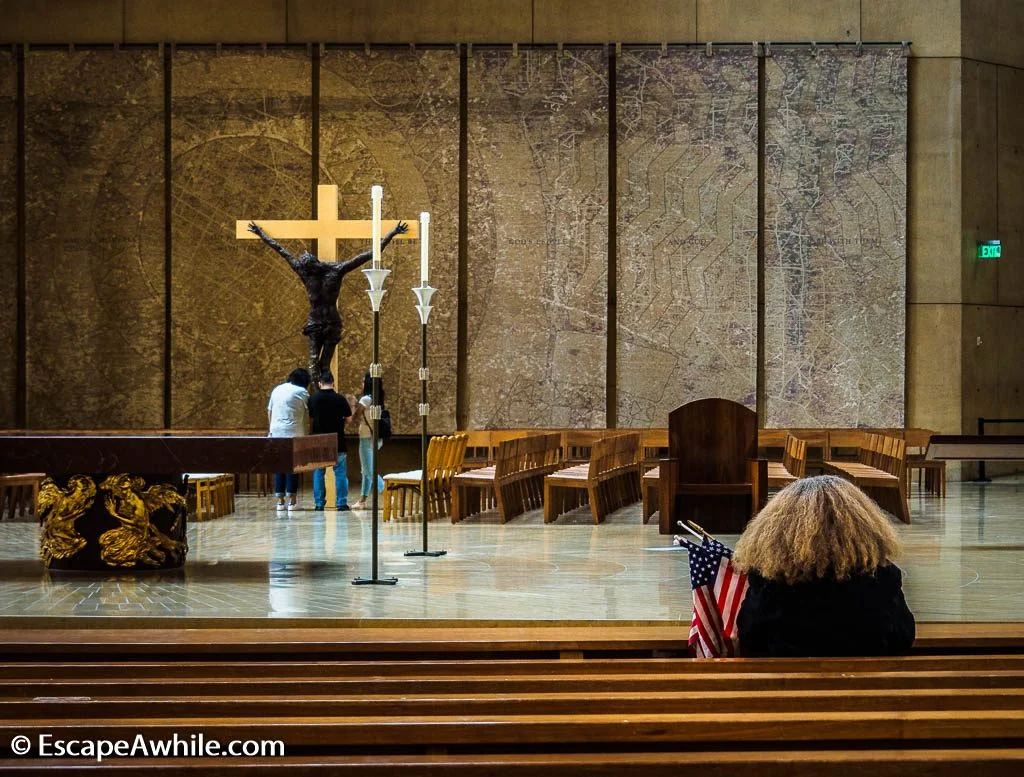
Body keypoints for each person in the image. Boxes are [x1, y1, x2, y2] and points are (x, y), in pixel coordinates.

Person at [732, 475, 916, 657]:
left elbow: (750, 635)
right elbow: (903, 637)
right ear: (863, 526)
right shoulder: (882, 577)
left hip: (787, 681)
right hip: (863, 682)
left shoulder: (769, 580)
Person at [248, 220, 409, 386]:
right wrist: (261, 234)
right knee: (312, 363)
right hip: (315, 323)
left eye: (311, 267)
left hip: (332, 322)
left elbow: (370, 254)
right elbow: (281, 250)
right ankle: (319, 400)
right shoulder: (306, 272)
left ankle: (325, 396)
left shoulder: (336, 270)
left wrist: (393, 233)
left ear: (316, 263)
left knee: (324, 364)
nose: (310, 271)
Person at [267, 367, 311, 511]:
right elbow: (308, 411)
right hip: (293, 433)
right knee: (293, 467)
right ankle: (292, 501)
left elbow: (270, 411)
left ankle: (280, 502)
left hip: (276, 433)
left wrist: (272, 429)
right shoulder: (302, 392)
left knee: (279, 466)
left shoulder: (277, 389)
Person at [308, 371, 352, 512]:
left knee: (318, 473)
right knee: (340, 473)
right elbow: (349, 419)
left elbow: (310, 417)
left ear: (320, 383)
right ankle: (341, 503)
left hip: (318, 440)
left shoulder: (313, 399)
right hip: (337, 440)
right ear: (333, 382)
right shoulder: (340, 399)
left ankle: (319, 504)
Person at [350, 371, 385, 509]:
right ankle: (362, 500)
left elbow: (354, 417)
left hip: (366, 438)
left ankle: (388, 494)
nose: (361, 384)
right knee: (366, 470)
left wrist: (352, 403)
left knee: (369, 471)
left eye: (363, 381)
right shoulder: (378, 398)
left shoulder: (365, 399)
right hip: (377, 437)